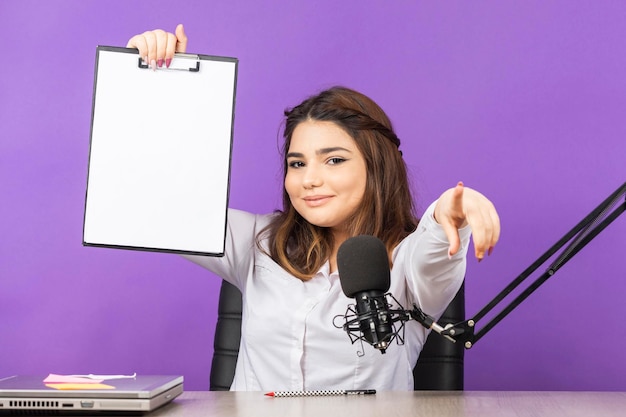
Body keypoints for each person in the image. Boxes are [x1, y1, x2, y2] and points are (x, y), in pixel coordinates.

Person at [126, 24, 500, 391]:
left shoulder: (407, 265)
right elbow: (151, 202)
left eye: (334, 160)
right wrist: (162, 85)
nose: (309, 179)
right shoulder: (256, 243)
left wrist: (452, 209)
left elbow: (435, 248)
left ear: (378, 166)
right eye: (297, 163)